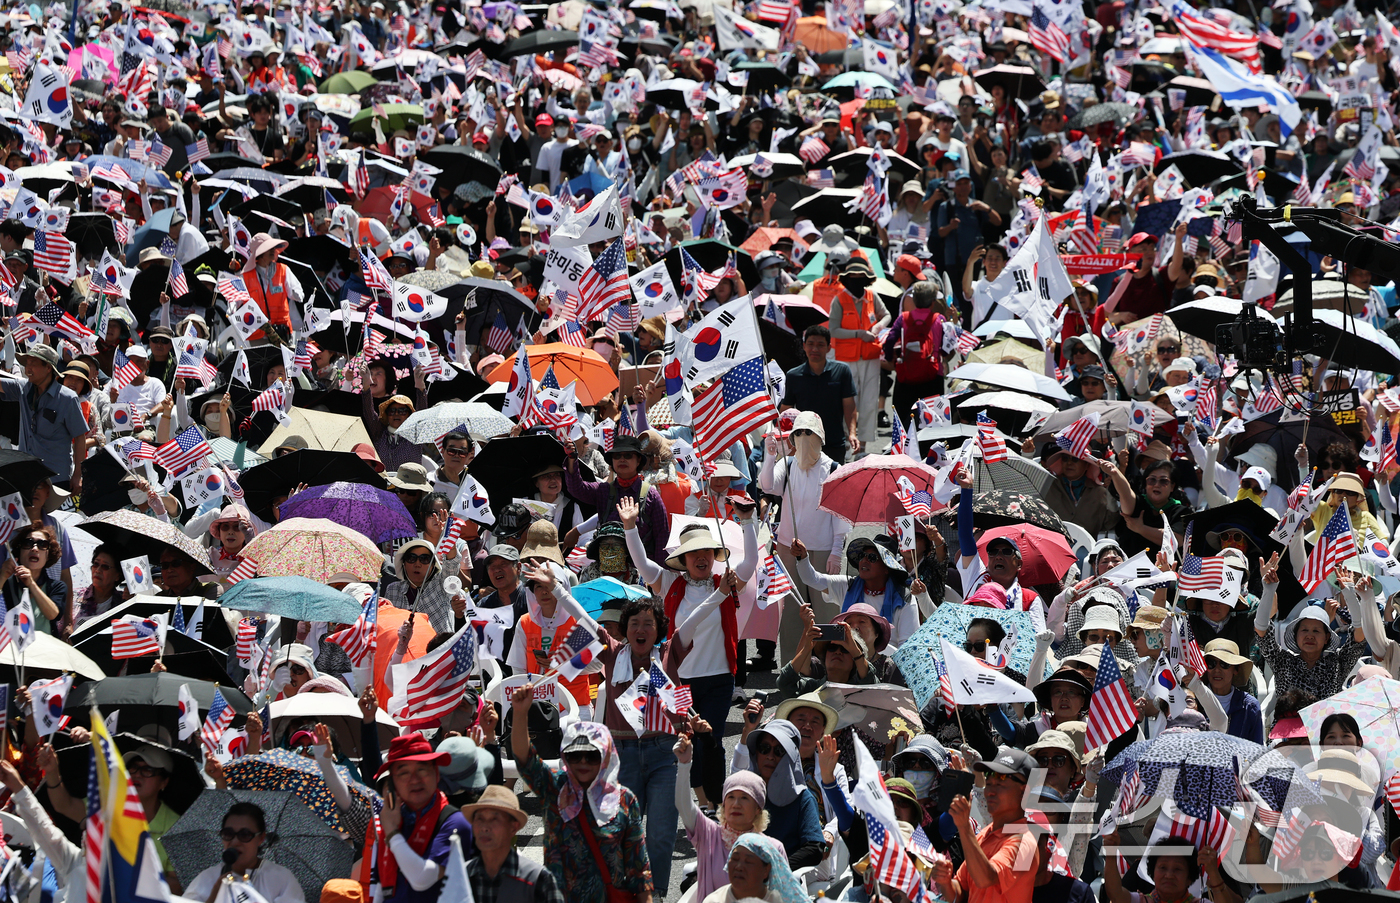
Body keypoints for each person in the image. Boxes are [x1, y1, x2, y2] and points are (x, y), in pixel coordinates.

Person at [620, 496, 755, 811]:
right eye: (694, 552)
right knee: (689, 738)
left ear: (713, 555)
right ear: (684, 559)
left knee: (714, 740)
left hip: (720, 678)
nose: (701, 557)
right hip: (680, 682)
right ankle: (701, 801)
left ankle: (718, 804)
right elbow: (642, 564)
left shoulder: (727, 582)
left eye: (706, 551)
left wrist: (747, 520)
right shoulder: (669, 583)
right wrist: (629, 527)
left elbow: (750, 564)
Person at [510, 686, 653, 903]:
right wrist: (520, 713)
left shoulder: (624, 800)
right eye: (575, 756)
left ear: (605, 757)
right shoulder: (554, 787)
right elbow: (525, 760)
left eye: (592, 755)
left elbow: (639, 870)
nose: (583, 762)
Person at [375, 733, 474, 903]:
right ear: (392, 783)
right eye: (404, 773)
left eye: (422, 769)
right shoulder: (394, 817)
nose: (414, 780)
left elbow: (422, 879)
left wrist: (392, 833)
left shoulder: (455, 822)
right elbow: (381, 884)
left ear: (436, 774)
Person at [931, 750, 1039, 903]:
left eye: (1000, 783)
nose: (990, 791)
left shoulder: (1025, 843)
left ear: (1024, 791)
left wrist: (964, 827)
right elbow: (960, 892)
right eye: (989, 782)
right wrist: (945, 882)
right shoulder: (984, 834)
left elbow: (986, 879)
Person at [1, 344, 89, 493]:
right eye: (26, 363)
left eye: (33, 364)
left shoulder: (68, 398)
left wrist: (77, 475)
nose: (27, 369)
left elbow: (80, 438)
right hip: (25, 476)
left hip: (55, 479)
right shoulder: (23, 388)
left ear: (48, 368)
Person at [827, 257, 890, 455]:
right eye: (852, 277)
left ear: (866, 279)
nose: (856, 280)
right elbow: (833, 330)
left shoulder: (872, 295)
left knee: (870, 400)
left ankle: (863, 445)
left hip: (870, 355)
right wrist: (858, 334)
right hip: (846, 359)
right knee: (849, 400)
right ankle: (848, 440)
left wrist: (878, 326)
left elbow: (886, 314)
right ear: (846, 279)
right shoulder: (839, 299)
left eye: (860, 277)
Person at [462, 786, 566, 903]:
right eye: (480, 819)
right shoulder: (461, 877)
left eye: (494, 819)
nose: (485, 827)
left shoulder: (538, 880)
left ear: (513, 827)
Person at [184, 803, 305, 903]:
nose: (235, 842)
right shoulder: (206, 879)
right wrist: (214, 896)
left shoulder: (282, 879)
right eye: (228, 834)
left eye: (245, 835)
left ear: (261, 838)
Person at [780, 325, 858, 464]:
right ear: (804, 346)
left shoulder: (842, 371)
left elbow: (849, 406)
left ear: (829, 347)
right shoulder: (793, 375)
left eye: (820, 345)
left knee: (834, 483)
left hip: (834, 442)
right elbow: (787, 408)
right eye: (810, 344)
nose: (815, 349)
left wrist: (852, 433)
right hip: (804, 442)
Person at [1, 523, 68, 635]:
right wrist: (2, 576)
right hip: (11, 648)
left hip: (44, 650)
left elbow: (53, 614)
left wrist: (31, 583)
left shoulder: (57, 586)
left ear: (48, 555)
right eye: (28, 543)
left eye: (43, 544)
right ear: (19, 550)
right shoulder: (7, 584)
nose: (35, 548)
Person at [703, 833, 808, 903]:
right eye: (734, 859)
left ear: (766, 870)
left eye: (748, 862)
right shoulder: (714, 900)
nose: (739, 867)